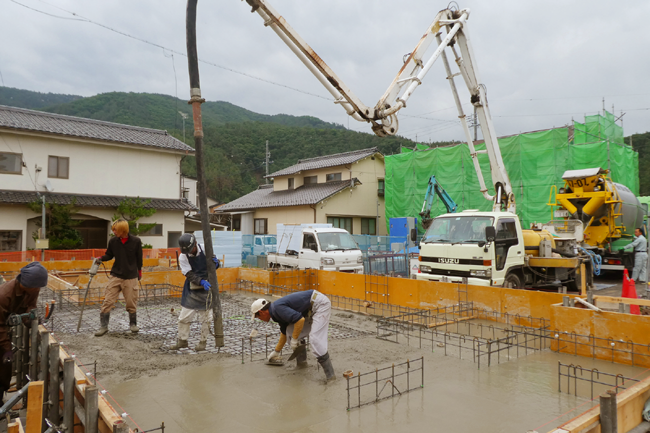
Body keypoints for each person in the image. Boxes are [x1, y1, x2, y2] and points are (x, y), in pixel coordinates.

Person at [251, 290, 335, 381]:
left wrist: (294, 339)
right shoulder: (275, 312)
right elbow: (284, 333)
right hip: (310, 309)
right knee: (290, 332)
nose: (259, 319)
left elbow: (300, 320)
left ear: (261, 312)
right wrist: (276, 351)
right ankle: (302, 363)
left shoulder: (277, 309)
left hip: (320, 304)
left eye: (257, 317)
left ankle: (331, 376)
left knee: (315, 340)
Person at [0, 262, 48, 400]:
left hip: (3, 327)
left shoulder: (32, 289)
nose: (39, 289)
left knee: (5, 369)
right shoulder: (4, 295)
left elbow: (30, 306)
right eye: (38, 286)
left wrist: (31, 321)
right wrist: (7, 348)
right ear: (28, 285)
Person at [169, 233, 219, 351]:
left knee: (206, 318)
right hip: (193, 288)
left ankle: (203, 342)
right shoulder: (183, 256)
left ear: (195, 244)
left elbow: (212, 265)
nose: (190, 253)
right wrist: (201, 282)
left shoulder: (205, 249)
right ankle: (182, 341)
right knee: (183, 318)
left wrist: (216, 264)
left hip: (208, 287)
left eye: (191, 250)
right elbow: (189, 274)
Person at [94, 219, 143, 337]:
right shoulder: (113, 242)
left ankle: (133, 324)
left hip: (130, 276)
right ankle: (103, 327)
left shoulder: (136, 241)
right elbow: (109, 255)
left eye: (115, 230)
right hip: (116, 275)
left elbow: (139, 258)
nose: (114, 232)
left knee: (131, 301)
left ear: (123, 229)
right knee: (108, 300)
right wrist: (101, 258)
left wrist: (139, 272)